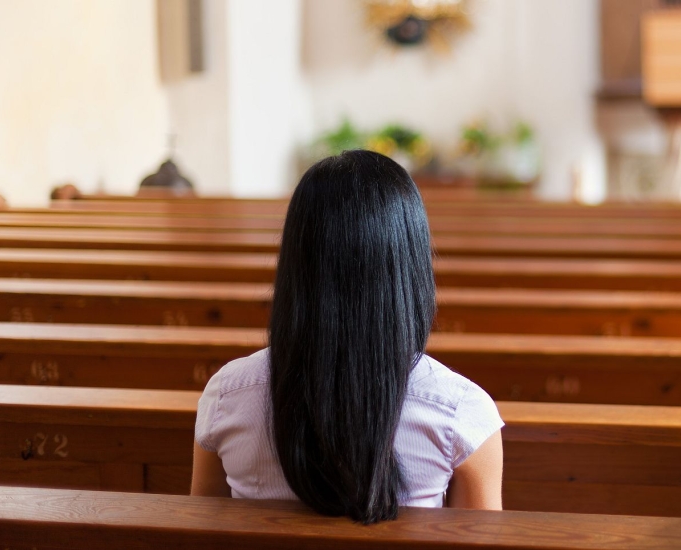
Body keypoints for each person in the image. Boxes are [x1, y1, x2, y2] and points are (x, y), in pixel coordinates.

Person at [190, 150, 504, 523]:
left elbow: (202, 532)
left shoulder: (227, 396)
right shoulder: (461, 414)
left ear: (295, 263)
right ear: (411, 268)